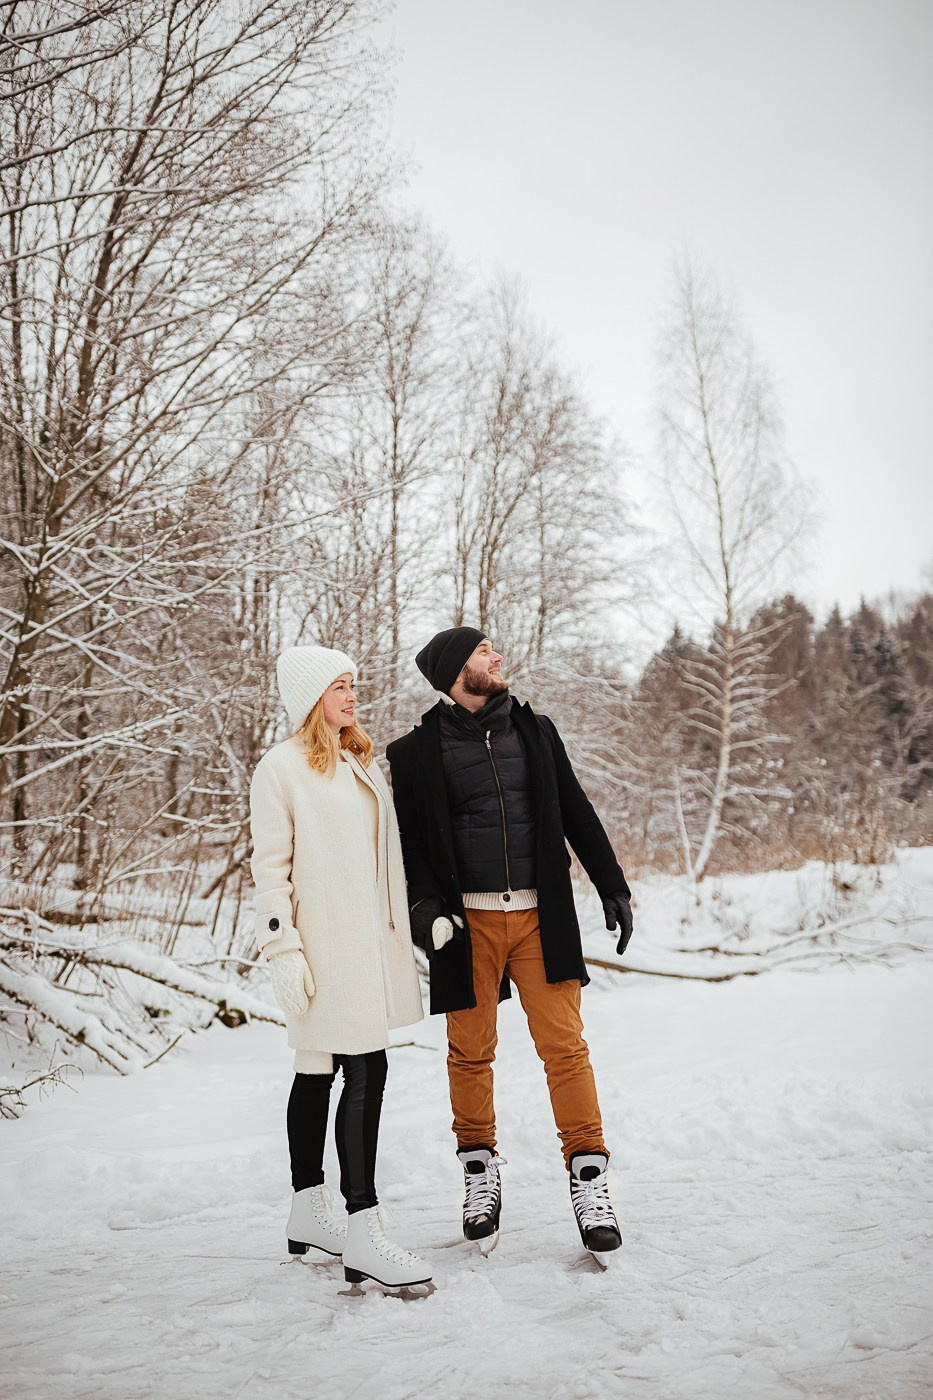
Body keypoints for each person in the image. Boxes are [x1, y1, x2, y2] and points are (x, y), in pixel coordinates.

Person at [386, 627, 633, 1262]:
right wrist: (425, 914)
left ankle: (589, 1180)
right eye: (483, 653)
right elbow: (408, 848)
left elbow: (575, 809)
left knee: (565, 1049)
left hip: (538, 918)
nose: (497, 659)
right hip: (466, 927)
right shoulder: (414, 754)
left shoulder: (536, 731)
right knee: (469, 1052)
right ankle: (478, 1174)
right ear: (455, 675)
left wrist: (612, 885)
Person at [249, 644, 431, 1293]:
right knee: (361, 1067)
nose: (351, 697)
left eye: (352, 685)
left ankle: (307, 1209)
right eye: (338, 687)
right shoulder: (280, 769)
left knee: (318, 1067)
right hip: (324, 948)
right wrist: (282, 949)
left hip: (365, 945)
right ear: (309, 699)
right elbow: (269, 869)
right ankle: (363, 1232)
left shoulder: (357, 759)